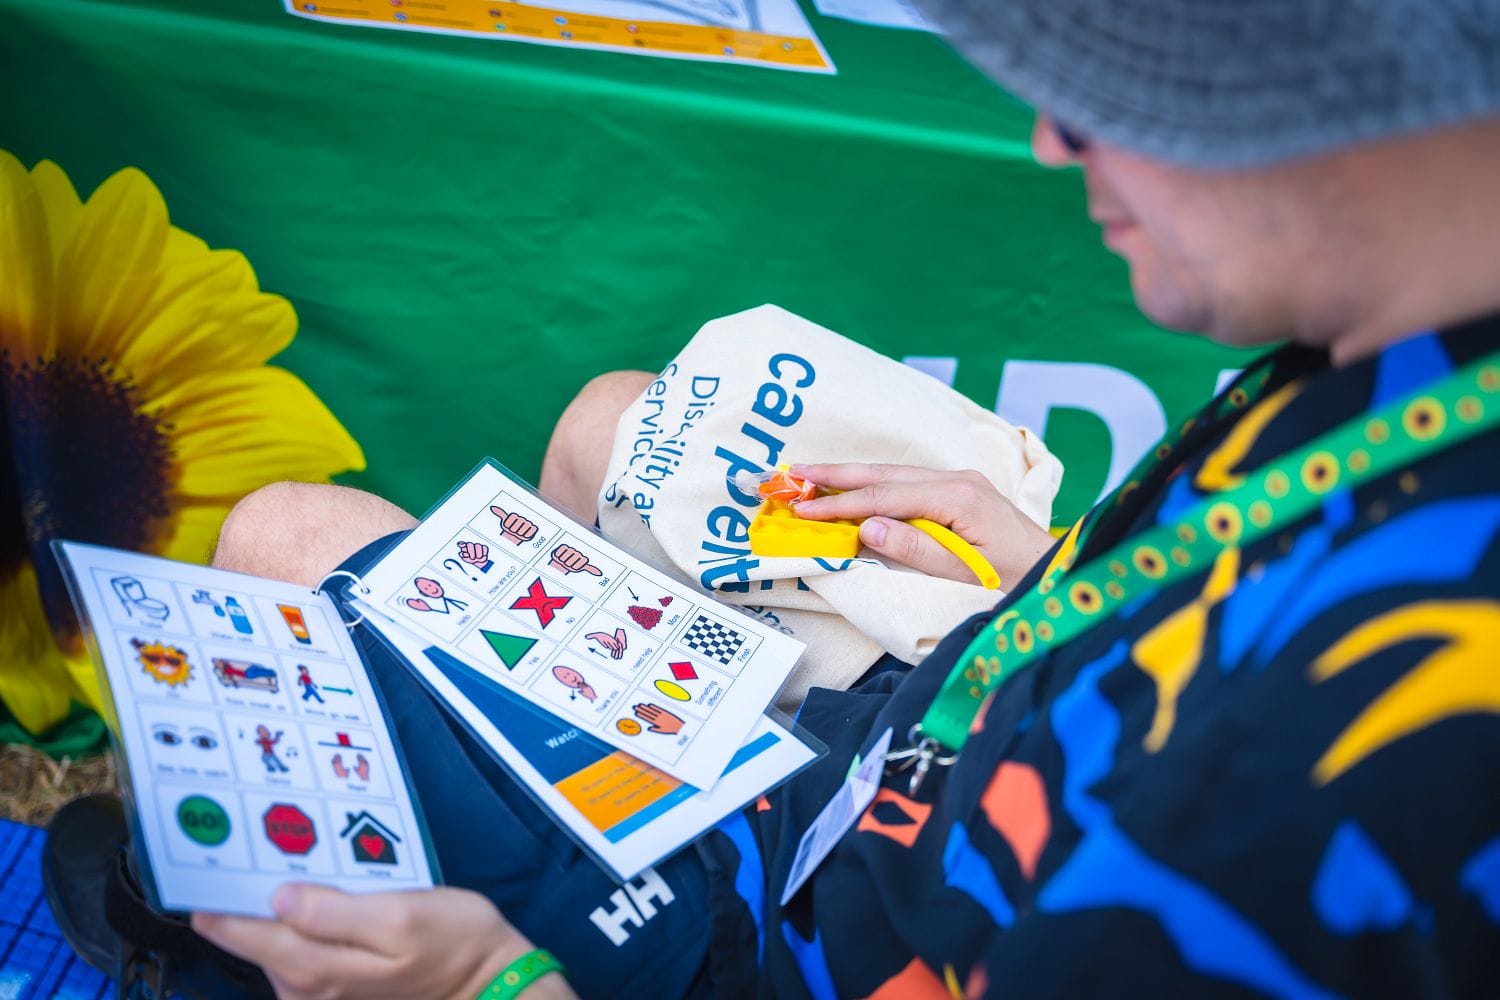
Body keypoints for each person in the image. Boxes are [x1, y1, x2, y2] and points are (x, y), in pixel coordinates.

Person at [188, 1, 1500, 996]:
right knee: (607, 425)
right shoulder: (1408, 344)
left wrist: (496, 978)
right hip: (914, 747)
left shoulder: (1313, 775)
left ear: (1353, 100)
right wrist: (1055, 579)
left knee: (288, 542)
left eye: (1124, 90)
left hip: (782, 938)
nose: (1051, 139)